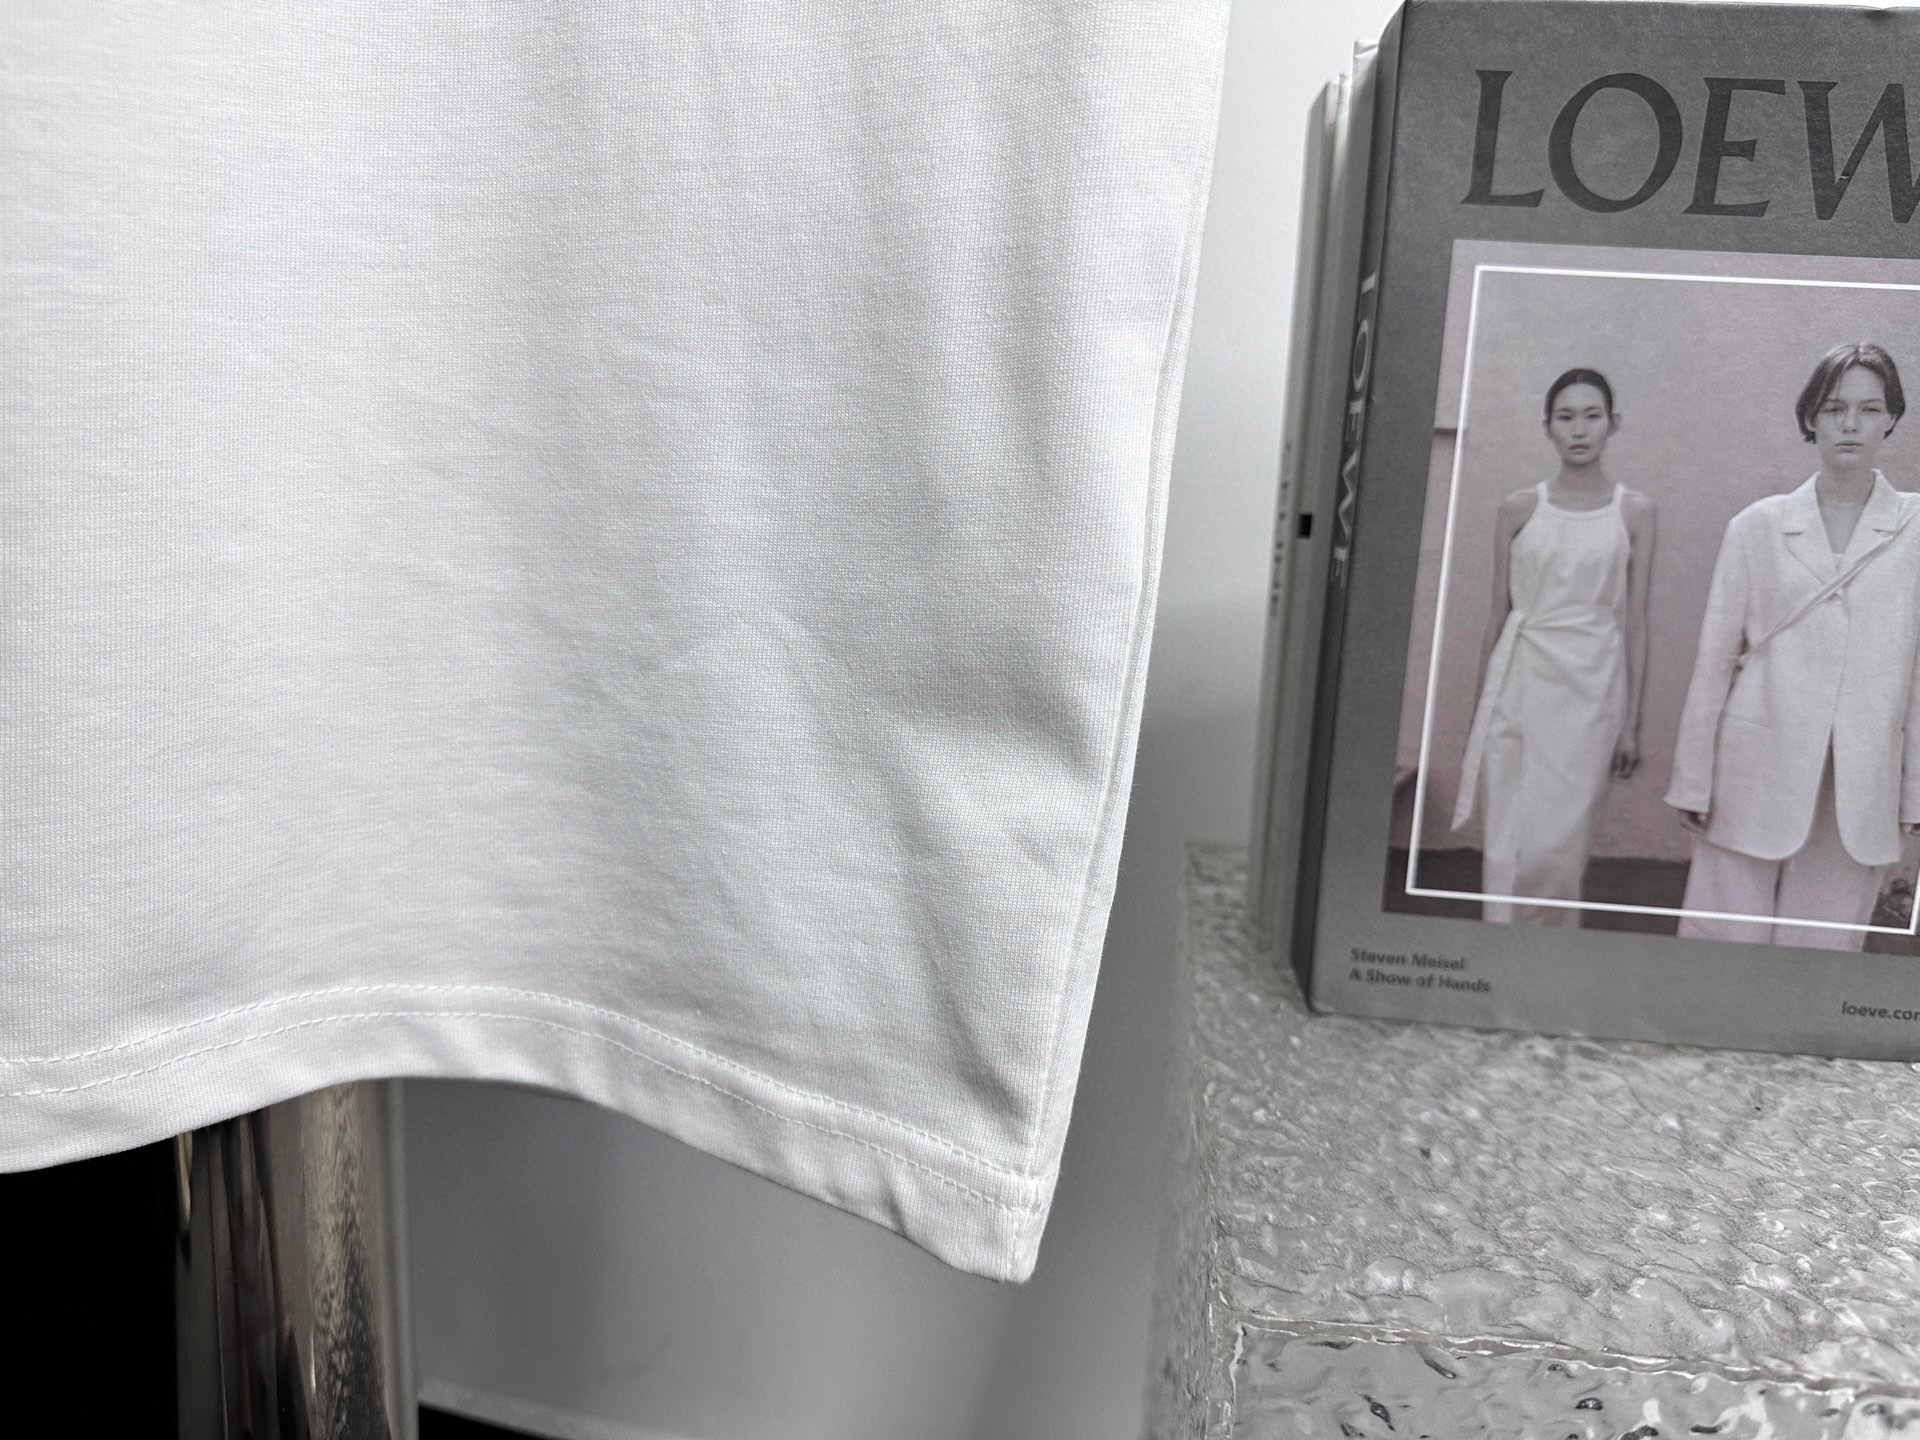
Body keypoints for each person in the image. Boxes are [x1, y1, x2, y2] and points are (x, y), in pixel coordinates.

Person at [1667, 342, 1920, 949]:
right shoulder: (1756, 526)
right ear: (1810, 417)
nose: (1851, 423)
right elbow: (1714, 662)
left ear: (1891, 418)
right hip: (1753, 764)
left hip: (1861, 778)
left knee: (1823, 951)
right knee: (1722, 941)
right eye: (1834, 408)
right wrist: (1693, 778)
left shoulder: (1914, 530)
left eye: (1869, 408)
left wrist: (1914, 794)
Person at [1453, 368, 1657, 924]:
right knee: (1508, 838)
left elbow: (1636, 623)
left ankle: (1548, 952)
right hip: (1519, 682)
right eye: (1566, 417)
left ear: (1613, 424)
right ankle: (1501, 948)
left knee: (1558, 849)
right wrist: (1479, 710)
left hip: (1591, 690)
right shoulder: (1518, 508)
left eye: (1592, 416)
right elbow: (1497, 615)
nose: (1579, 429)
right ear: (1548, 427)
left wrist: (1632, 724)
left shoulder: (1634, 512)